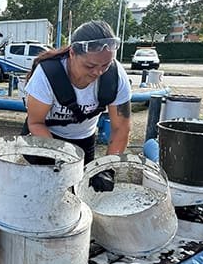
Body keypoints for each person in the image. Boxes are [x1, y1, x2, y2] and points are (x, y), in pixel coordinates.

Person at [23, 21, 131, 178]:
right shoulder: (47, 75)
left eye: (105, 65)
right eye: (89, 66)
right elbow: (35, 123)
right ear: (72, 53)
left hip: (84, 139)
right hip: (46, 136)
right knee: (44, 185)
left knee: (81, 187)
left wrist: (107, 169)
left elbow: (121, 128)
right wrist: (62, 160)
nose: (98, 72)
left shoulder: (116, 76)